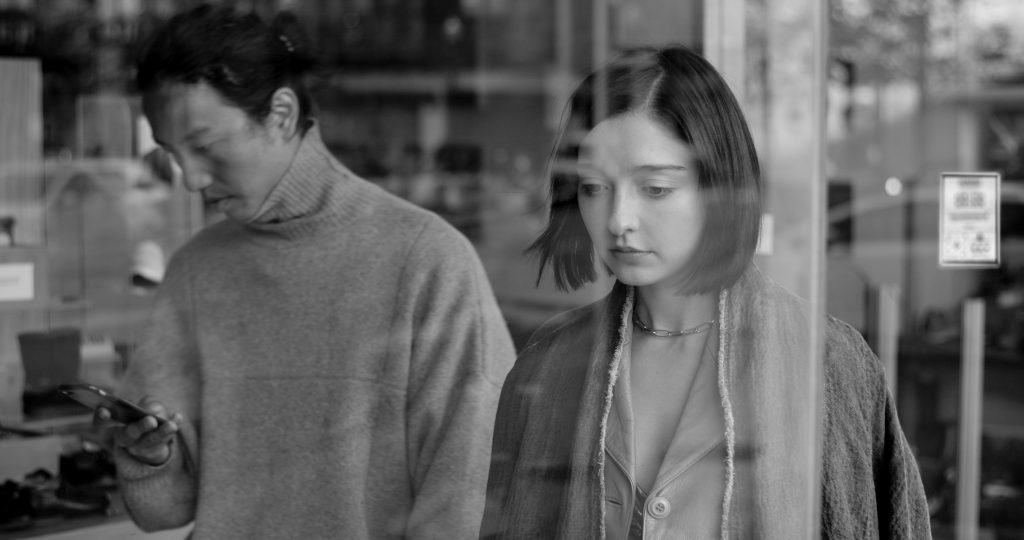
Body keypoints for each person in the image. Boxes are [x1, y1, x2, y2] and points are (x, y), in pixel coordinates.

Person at [94, 5, 516, 538]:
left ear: (282, 114)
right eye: (172, 154)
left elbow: (474, 486)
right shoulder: (196, 270)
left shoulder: (426, 258)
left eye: (203, 145)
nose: (191, 179)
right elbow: (164, 509)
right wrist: (150, 457)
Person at [479, 46, 931, 539]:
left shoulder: (825, 362)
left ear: (720, 189)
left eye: (655, 189)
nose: (618, 220)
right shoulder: (551, 361)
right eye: (593, 188)